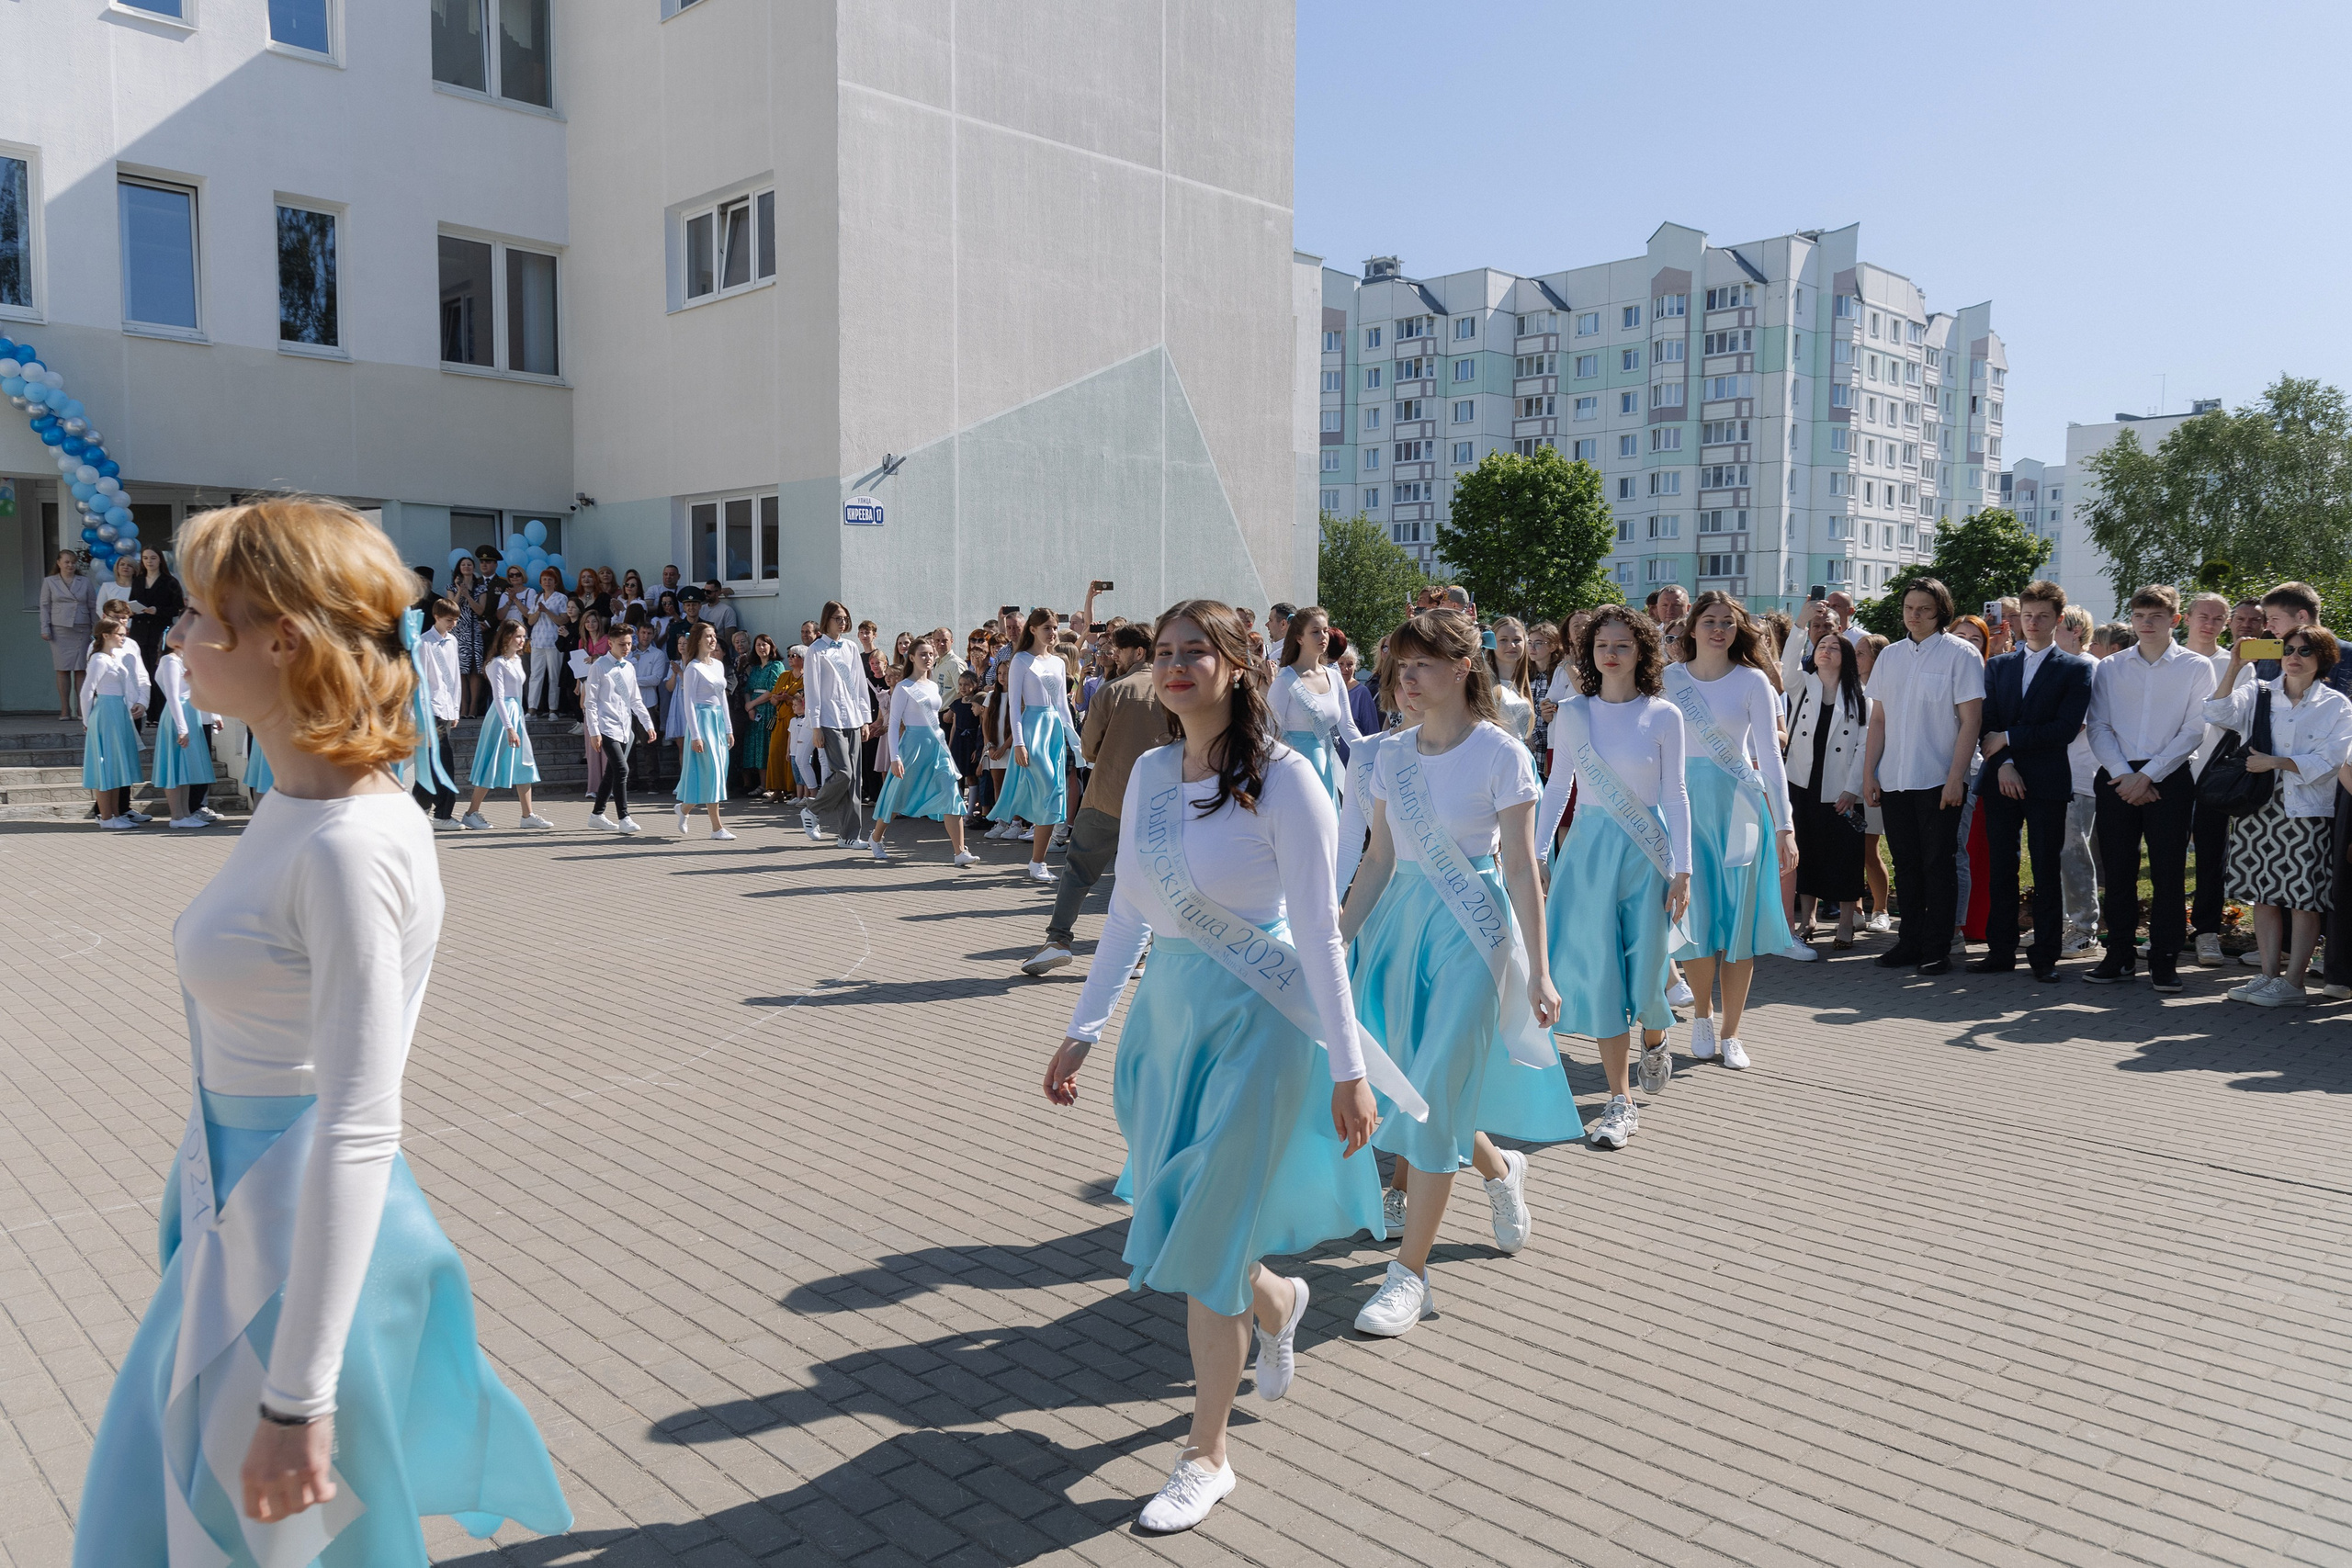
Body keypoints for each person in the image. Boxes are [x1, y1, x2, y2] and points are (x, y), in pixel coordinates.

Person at [74, 498, 571, 1566]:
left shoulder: (349, 842)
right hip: (239, 1214)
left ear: (282, 642)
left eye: (204, 616)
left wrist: (300, 1400)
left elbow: (358, 1122)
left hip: (293, 1250)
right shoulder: (293, 803)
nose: (179, 634)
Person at [1040, 601, 1393, 1536]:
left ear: (1242, 667)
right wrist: (1085, 1027)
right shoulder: (1153, 772)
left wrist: (1348, 1067)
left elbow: (1319, 932)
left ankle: (1206, 1455)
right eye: (1163, 653)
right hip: (1171, 1023)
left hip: (1263, 1023)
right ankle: (1278, 1300)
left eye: (1197, 651)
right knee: (1207, 1233)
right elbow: (1127, 914)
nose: (1176, 666)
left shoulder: (1289, 781)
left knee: (1204, 1245)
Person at [1339, 609, 1574, 1337]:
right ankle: (1502, 1170)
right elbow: (1377, 859)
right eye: (1399, 668)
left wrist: (1538, 970)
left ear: (1463, 668)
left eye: (1421, 666)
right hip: (1397, 928)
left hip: (1471, 932)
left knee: (1435, 1088)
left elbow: (1525, 869)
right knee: (1406, 1085)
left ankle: (1411, 1276)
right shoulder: (1387, 755)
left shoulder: (1502, 755)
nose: (1405, 681)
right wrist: (1332, 941)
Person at [1537, 605, 1690, 1149]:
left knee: (1649, 973)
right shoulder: (1574, 713)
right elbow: (1557, 787)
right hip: (1589, 853)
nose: (1611, 653)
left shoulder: (1663, 715)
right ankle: (1619, 1100)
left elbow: (1676, 795)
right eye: (1603, 644)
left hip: (1648, 855)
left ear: (1641, 651)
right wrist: (1537, 852)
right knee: (1602, 973)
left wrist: (1684, 869)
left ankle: (1656, 1036)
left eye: (1623, 644)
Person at [1664, 593, 1798, 1072]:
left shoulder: (1753, 681)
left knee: (1738, 927)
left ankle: (1732, 1032)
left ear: (1738, 629)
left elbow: (1771, 756)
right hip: (1684, 808)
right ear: (1692, 627)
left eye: (1727, 622)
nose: (1718, 629)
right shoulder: (1667, 680)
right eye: (1709, 621)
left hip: (1740, 808)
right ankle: (1701, 1014)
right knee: (1695, 922)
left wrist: (1785, 826)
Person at [2208, 627, 2352, 1005]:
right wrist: (2236, 666)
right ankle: (2268, 975)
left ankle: (2293, 983)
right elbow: (2216, 711)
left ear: (2323, 658)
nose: (2295, 656)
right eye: (2289, 649)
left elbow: (2330, 761)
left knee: (2304, 898)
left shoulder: (2336, 704)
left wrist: (2276, 762)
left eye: (2306, 650)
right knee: (2263, 893)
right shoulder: (2259, 692)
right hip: (2256, 805)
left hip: (2305, 809)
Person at [2083, 585, 2210, 991]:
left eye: (2156, 616)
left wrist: (2149, 776)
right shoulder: (2111, 667)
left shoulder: (2195, 666)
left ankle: (2164, 959)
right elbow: (2098, 725)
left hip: (2168, 778)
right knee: (2118, 872)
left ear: (2175, 619)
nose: (2147, 623)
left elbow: (2194, 730)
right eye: (2140, 616)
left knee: (2169, 873)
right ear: (2132, 619)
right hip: (2118, 778)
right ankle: (2118, 954)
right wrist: (2125, 774)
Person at [1968, 581, 2094, 982]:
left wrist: (2011, 738)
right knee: (2002, 867)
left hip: (2046, 782)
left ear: (2058, 620)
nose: (2034, 623)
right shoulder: (1999, 666)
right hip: (2000, 779)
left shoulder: (2076, 669)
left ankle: (2044, 958)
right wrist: (2003, 762)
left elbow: (2064, 728)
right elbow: (1986, 725)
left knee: (2044, 868)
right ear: (2019, 618)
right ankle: (2000, 950)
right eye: (2027, 615)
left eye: (2042, 616)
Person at [1023, 626, 1165, 974]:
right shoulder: (1172, 690)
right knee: (1146, 878)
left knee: (1079, 871)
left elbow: (1087, 748)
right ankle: (1141, 952)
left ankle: (1058, 940)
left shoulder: (1113, 689)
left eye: (1120, 649)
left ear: (1139, 652)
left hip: (1108, 796)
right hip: (1157, 801)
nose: (1113, 654)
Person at [1863, 579, 1984, 976]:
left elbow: (1971, 721)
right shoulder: (1891, 656)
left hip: (1938, 779)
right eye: (1908, 607)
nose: (1914, 616)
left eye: (1924, 609)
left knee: (1939, 864)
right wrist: (1870, 773)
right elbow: (1878, 720)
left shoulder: (1961, 655)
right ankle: (1909, 941)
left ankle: (1937, 948)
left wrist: (1956, 777)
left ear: (1941, 612)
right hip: (1895, 778)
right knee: (1906, 864)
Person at [1782, 627, 1870, 949]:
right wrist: (1799, 628)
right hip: (1803, 783)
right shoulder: (1803, 686)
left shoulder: (1860, 696)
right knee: (1806, 851)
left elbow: (1863, 746)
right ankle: (1808, 919)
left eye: (1834, 647)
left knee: (1846, 854)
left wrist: (1852, 789)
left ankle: (1846, 923)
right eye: (1821, 646)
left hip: (1841, 791)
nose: (1826, 651)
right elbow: (1787, 666)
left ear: (1845, 657)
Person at [870, 640, 979, 865]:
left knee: (951, 792)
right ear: (911, 657)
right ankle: (875, 837)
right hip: (912, 746)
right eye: (923, 654)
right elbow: (893, 724)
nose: (928, 658)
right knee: (897, 795)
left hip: (936, 746)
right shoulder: (903, 687)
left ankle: (959, 852)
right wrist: (894, 757)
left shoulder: (931, 685)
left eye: (930, 654)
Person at [990, 607, 1080, 883]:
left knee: (1054, 794)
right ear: (1032, 630)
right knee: (1050, 790)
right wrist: (1019, 742)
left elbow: (1063, 707)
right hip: (1032, 729)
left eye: (1054, 628)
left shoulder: (1058, 662)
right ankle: (1037, 860)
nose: (1052, 633)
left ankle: (1037, 862)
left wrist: (1076, 743)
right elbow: (1015, 707)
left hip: (1053, 731)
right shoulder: (1020, 661)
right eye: (1047, 628)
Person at [2181, 592, 2245, 966]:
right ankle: (2169, 929)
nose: (2209, 624)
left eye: (2218, 618)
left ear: (2227, 623)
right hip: (2169, 771)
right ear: (2186, 618)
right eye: (2202, 616)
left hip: (2213, 775)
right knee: (2165, 857)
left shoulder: (2238, 664)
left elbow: (2233, 720)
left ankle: (2206, 933)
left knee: (2210, 859)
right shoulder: (2170, 659)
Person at [461, 619, 552, 829]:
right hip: (502, 718)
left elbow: (517, 693)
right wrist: (509, 727)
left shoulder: (517, 661)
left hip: (516, 714)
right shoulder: (497, 664)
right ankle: (471, 812)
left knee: (524, 763)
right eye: (518, 636)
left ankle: (527, 815)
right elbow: (499, 698)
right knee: (491, 762)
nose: (521, 640)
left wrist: (518, 721)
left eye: (523, 636)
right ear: (506, 637)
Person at [1267, 606, 1363, 804]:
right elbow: (1270, 732)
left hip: (1326, 765)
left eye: (1326, 630)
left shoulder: (1335, 678)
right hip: (1293, 772)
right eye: (1315, 631)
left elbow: (1348, 726)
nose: (1323, 636)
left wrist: (1370, 752)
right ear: (1299, 638)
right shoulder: (1285, 680)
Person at [801, 602, 876, 846]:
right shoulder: (816, 650)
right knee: (843, 772)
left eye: (845, 618)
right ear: (826, 620)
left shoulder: (851, 647)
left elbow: (859, 684)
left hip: (852, 718)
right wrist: (815, 725)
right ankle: (813, 809)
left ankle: (848, 836)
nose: (842, 622)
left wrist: (865, 718)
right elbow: (811, 689)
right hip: (829, 719)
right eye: (837, 618)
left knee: (855, 780)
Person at [585, 619, 657, 834]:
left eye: (628, 644)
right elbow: (590, 701)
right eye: (621, 644)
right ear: (610, 644)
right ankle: (624, 816)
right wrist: (594, 731)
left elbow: (635, 699)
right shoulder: (599, 667)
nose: (626, 648)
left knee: (612, 772)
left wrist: (647, 723)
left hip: (624, 726)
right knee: (622, 769)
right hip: (605, 726)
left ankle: (597, 814)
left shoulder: (629, 667)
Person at [151, 614, 220, 829]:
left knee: (186, 768)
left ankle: (186, 814)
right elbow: (172, 696)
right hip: (178, 716)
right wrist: (182, 728)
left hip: (190, 713)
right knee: (175, 766)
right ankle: (177, 816)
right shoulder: (170, 661)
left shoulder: (183, 660)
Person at [82, 613, 148, 829]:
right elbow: (87, 691)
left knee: (117, 763)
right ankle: (107, 817)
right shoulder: (99, 659)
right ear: (106, 635)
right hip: (106, 712)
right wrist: (87, 720)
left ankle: (116, 814)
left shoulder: (113, 657)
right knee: (106, 764)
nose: (123, 636)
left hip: (118, 711)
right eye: (119, 634)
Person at [672, 620, 736, 840]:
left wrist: (728, 728)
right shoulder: (692, 668)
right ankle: (717, 828)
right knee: (712, 771)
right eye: (708, 636)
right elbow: (688, 702)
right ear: (697, 640)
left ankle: (684, 808)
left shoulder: (718, 665)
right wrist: (696, 735)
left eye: (714, 635)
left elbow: (723, 699)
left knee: (717, 772)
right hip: (702, 721)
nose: (712, 640)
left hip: (717, 721)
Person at [413, 597, 463, 831]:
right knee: (443, 761)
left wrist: (455, 708)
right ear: (436, 617)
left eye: (455, 620)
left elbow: (454, 677)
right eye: (448, 620)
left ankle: (418, 808)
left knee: (435, 763)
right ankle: (442, 813)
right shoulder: (424, 643)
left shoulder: (452, 641)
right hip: (430, 709)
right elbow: (421, 681)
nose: (453, 624)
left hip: (445, 707)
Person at [41, 547, 98, 721]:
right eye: (66, 562)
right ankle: (65, 709)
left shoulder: (85, 581)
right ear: (58, 563)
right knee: (62, 669)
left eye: (73, 562)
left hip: (82, 627)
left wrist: (96, 629)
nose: (70, 565)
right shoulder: (50, 581)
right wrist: (45, 628)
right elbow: (44, 606)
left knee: (81, 668)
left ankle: (82, 709)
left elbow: (92, 605)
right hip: (59, 628)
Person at [130, 544, 187, 715]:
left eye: (153, 558)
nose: (149, 561)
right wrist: (132, 610)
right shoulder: (138, 580)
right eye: (145, 558)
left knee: (158, 672)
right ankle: (147, 710)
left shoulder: (170, 582)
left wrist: (158, 610)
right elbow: (132, 602)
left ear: (160, 560)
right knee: (143, 673)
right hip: (139, 632)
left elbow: (178, 608)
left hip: (159, 631)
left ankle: (161, 712)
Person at [522, 566, 570, 717]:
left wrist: (547, 611)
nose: (547, 582)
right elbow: (530, 620)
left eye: (550, 580)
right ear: (541, 583)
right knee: (536, 675)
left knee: (554, 676)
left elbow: (564, 619)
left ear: (555, 582)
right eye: (544, 580)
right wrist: (538, 611)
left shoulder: (561, 598)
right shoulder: (538, 597)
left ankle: (553, 709)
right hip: (538, 642)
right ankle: (532, 708)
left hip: (553, 642)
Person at [1486, 615, 1539, 747]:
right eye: (1503, 640)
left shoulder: (1522, 686)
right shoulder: (1483, 685)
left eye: (1517, 640)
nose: (1511, 645)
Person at [448, 554, 490, 717]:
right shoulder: (451, 587)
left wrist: (468, 596)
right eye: (463, 564)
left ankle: (473, 707)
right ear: (459, 568)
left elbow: (480, 610)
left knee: (474, 670)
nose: (466, 567)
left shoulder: (481, 588)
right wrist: (460, 591)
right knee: (460, 671)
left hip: (474, 633)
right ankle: (462, 707)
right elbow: (452, 608)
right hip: (458, 632)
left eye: (469, 564)